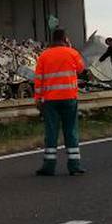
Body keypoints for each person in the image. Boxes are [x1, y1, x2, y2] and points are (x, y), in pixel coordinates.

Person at [32, 28, 87, 176]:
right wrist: (70, 48)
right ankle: (74, 166)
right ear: (65, 39)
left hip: (50, 100)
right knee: (71, 131)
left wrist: (38, 99)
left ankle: (49, 166)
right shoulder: (72, 53)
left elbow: (38, 80)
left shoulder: (44, 55)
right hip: (69, 98)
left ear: (52, 39)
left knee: (51, 132)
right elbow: (82, 69)